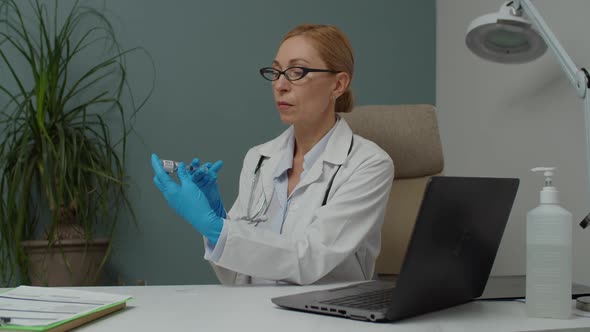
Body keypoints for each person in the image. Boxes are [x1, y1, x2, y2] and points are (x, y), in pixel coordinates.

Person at [151, 24, 394, 285]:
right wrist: (217, 219)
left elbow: (309, 260)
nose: (280, 84)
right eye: (276, 71)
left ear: (338, 84)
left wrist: (217, 229)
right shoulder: (259, 159)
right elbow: (237, 277)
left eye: (297, 72)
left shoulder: (369, 165)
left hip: (325, 320)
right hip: (257, 315)